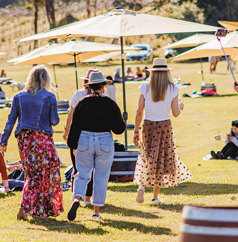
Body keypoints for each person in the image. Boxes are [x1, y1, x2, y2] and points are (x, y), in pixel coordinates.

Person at [0, 65, 63, 220]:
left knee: (31, 173)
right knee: (46, 173)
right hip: (42, 139)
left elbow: (10, 121)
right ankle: (28, 207)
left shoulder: (19, 96)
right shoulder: (49, 97)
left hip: (24, 139)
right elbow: (54, 121)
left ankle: (37, 209)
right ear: (46, 79)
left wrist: (3, 140)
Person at [66, 71, 126, 221]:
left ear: (90, 86)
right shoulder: (111, 104)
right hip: (105, 140)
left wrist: (73, 145)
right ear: (103, 86)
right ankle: (96, 212)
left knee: (82, 173)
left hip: (85, 139)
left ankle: (76, 198)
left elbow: (74, 127)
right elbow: (118, 129)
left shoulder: (82, 103)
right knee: (101, 176)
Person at [133, 58, 192, 204]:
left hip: (148, 125)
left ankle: (141, 186)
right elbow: (176, 113)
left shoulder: (145, 87)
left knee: (147, 157)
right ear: (167, 72)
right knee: (161, 160)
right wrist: (180, 106)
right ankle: (155, 196)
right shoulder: (173, 88)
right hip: (164, 126)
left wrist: (135, 130)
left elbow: (139, 111)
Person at [63, 69, 96, 204]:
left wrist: (66, 132)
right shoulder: (100, 96)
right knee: (91, 168)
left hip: (77, 135)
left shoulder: (78, 94)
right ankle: (88, 198)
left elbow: (70, 115)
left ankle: (75, 195)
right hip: (93, 135)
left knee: (77, 167)